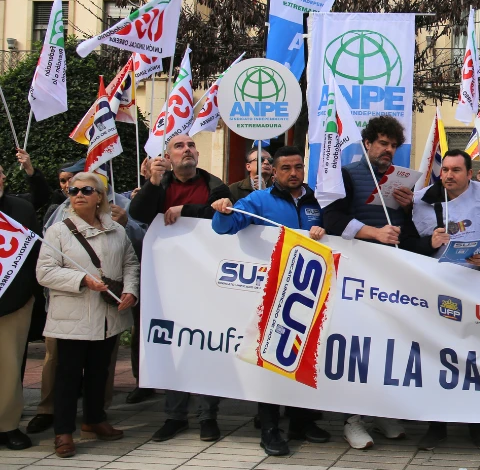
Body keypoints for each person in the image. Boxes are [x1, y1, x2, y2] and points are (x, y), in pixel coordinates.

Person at [211, 146, 329, 455]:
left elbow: (334, 232)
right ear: (272, 172)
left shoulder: (316, 199)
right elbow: (225, 227)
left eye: (298, 167)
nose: (293, 173)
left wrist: (323, 230)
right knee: (270, 360)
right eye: (286, 168)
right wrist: (222, 210)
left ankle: (302, 421)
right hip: (272, 293)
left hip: (309, 292)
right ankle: (269, 426)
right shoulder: (258, 200)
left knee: (303, 355)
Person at [400, 149, 480, 450]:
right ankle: (437, 425)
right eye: (445, 170)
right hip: (437, 289)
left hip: (476, 287)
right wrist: (427, 242)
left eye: (455, 170)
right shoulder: (422, 201)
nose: (448, 175)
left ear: (469, 174)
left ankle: (476, 424)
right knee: (438, 355)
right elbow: (405, 244)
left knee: (474, 357)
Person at [129, 135, 229, 444]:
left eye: (191, 145)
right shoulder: (160, 185)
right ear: (169, 157)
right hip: (168, 282)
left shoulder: (216, 186)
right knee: (173, 347)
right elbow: (139, 214)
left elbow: (222, 216)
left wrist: (185, 209)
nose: (187, 149)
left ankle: (207, 416)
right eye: (179, 146)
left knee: (207, 346)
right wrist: (152, 183)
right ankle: (175, 416)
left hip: (206, 281)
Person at [321, 116, 411, 446]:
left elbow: (408, 231)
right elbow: (332, 219)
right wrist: (374, 232)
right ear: (368, 144)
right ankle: (353, 419)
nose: (388, 150)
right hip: (357, 275)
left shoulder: (401, 180)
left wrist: (411, 206)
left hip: (391, 274)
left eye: (393, 145)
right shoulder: (347, 175)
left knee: (389, 344)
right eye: (383, 143)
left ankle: (380, 410)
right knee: (359, 347)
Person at [36, 173, 138, 458]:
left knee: (99, 370)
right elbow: (44, 272)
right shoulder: (57, 231)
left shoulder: (117, 230)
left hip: (108, 313)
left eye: (86, 189)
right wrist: (83, 279)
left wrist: (130, 290)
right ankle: (64, 432)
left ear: (100, 197)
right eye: (73, 190)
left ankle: (94, 419)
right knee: (67, 375)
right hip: (73, 315)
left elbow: (130, 263)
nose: (78, 193)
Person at [0, 162, 42, 451]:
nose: (2, 176)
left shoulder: (20, 209)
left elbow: (35, 256)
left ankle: (7, 426)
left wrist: (26, 295)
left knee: (9, 367)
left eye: (1, 171)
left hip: (12, 303)